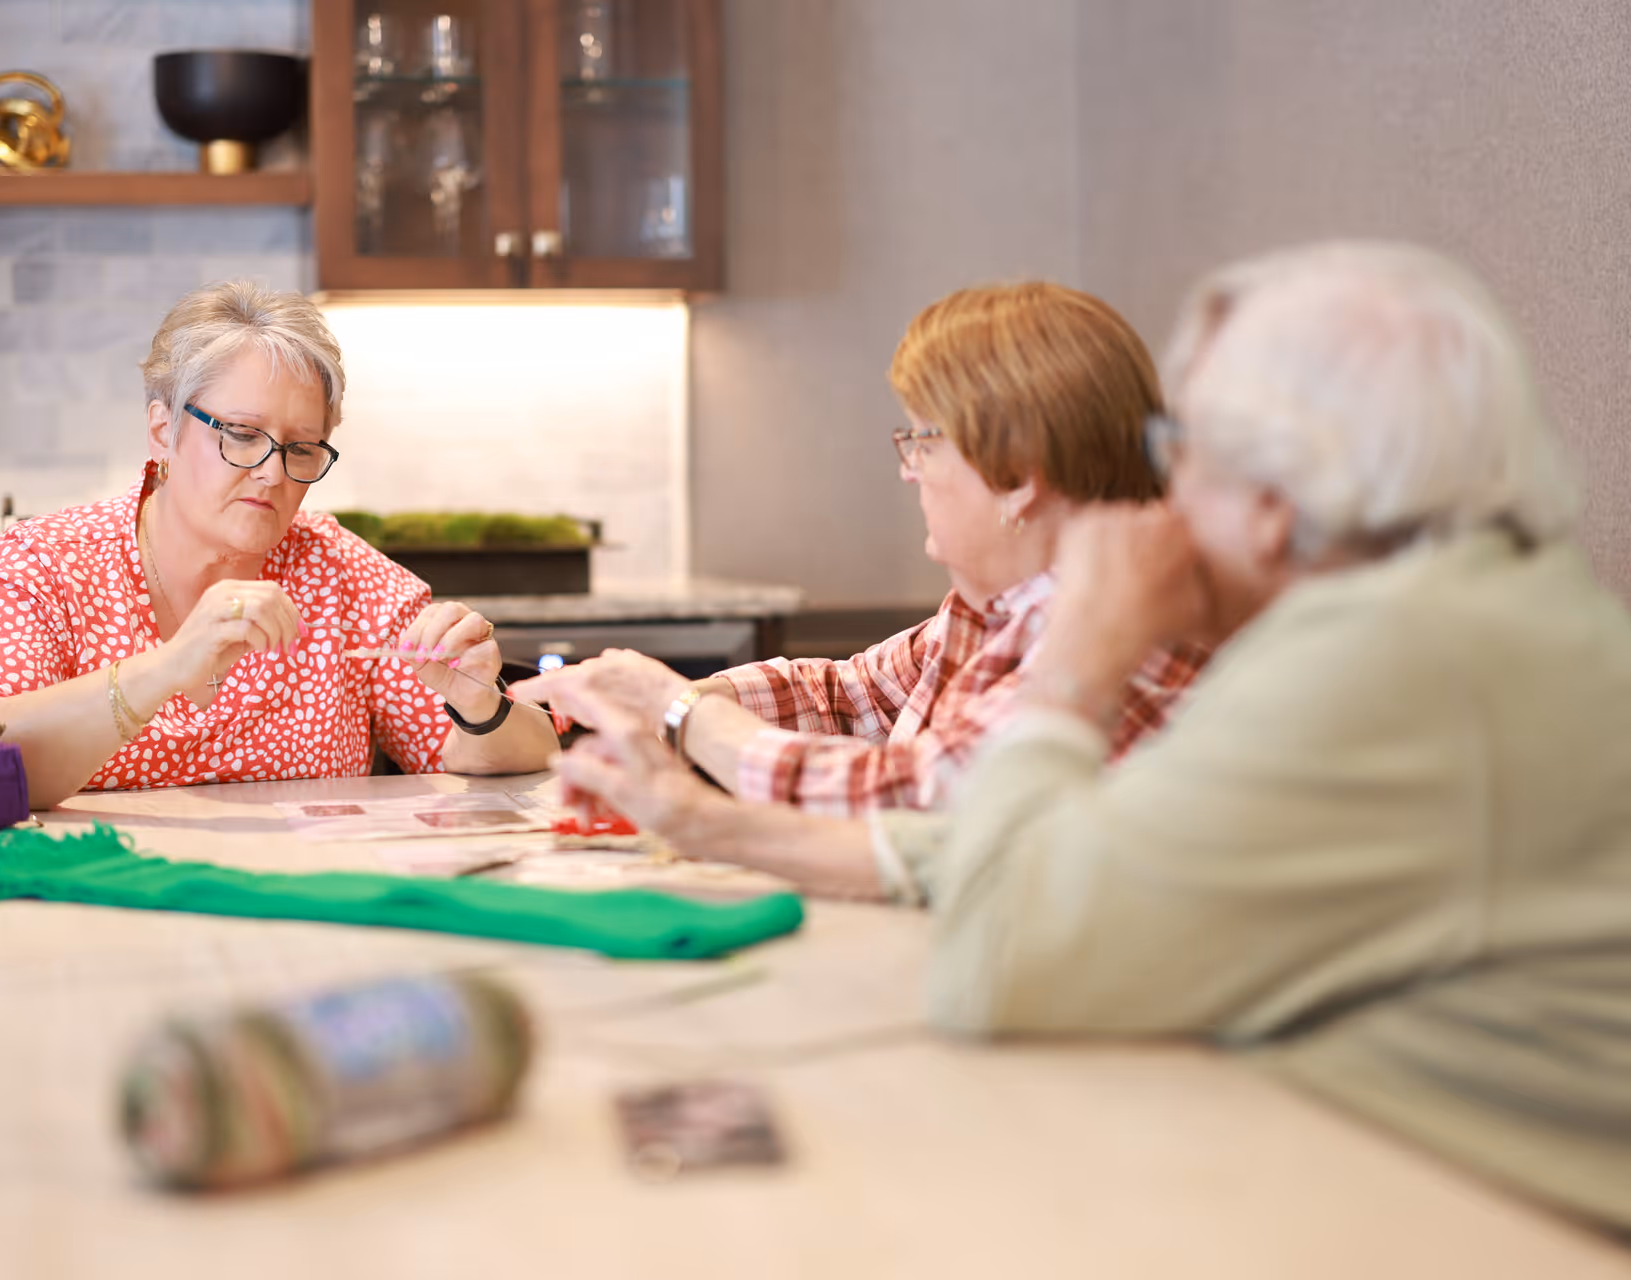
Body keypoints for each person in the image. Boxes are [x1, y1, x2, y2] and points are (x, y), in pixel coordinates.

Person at [544, 242, 1631, 1232]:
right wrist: (720, 825)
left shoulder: (1384, 662)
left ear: (1277, 499)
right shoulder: (1452, 618)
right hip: (1396, 1168)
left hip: (1495, 1218)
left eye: (1183, 450)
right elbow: (1116, 850)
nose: (1158, 490)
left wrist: (1084, 659)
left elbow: (997, 957)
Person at [514, 282, 1208, 816]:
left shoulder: (1118, 628)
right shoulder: (999, 607)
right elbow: (849, 694)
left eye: (924, 441)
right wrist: (670, 696)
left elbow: (905, 802)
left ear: (1021, 477)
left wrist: (679, 712)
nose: (908, 468)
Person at [0, 280, 556, 808]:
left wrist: (480, 706)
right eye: (241, 434)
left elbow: (525, 756)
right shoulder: (48, 563)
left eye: (301, 447)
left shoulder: (340, 573)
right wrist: (166, 668)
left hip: (301, 914)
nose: (274, 472)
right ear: (162, 429)